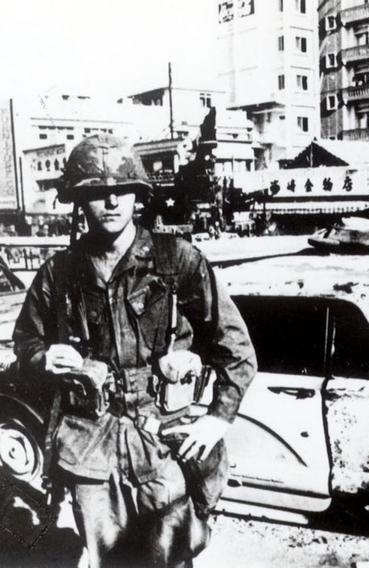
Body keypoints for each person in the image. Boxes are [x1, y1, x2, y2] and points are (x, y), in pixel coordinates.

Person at [13, 134, 257, 567]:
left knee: (171, 555)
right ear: (78, 201)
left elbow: (235, 346)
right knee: (111, 559)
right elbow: (26, 341)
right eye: (95, 192)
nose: (110, 202)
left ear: (137, 196)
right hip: (90, 447)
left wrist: (218, 418)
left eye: (120, 190)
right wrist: (43, 357)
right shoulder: (59, 272)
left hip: (162, 440)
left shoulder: (177, 260)